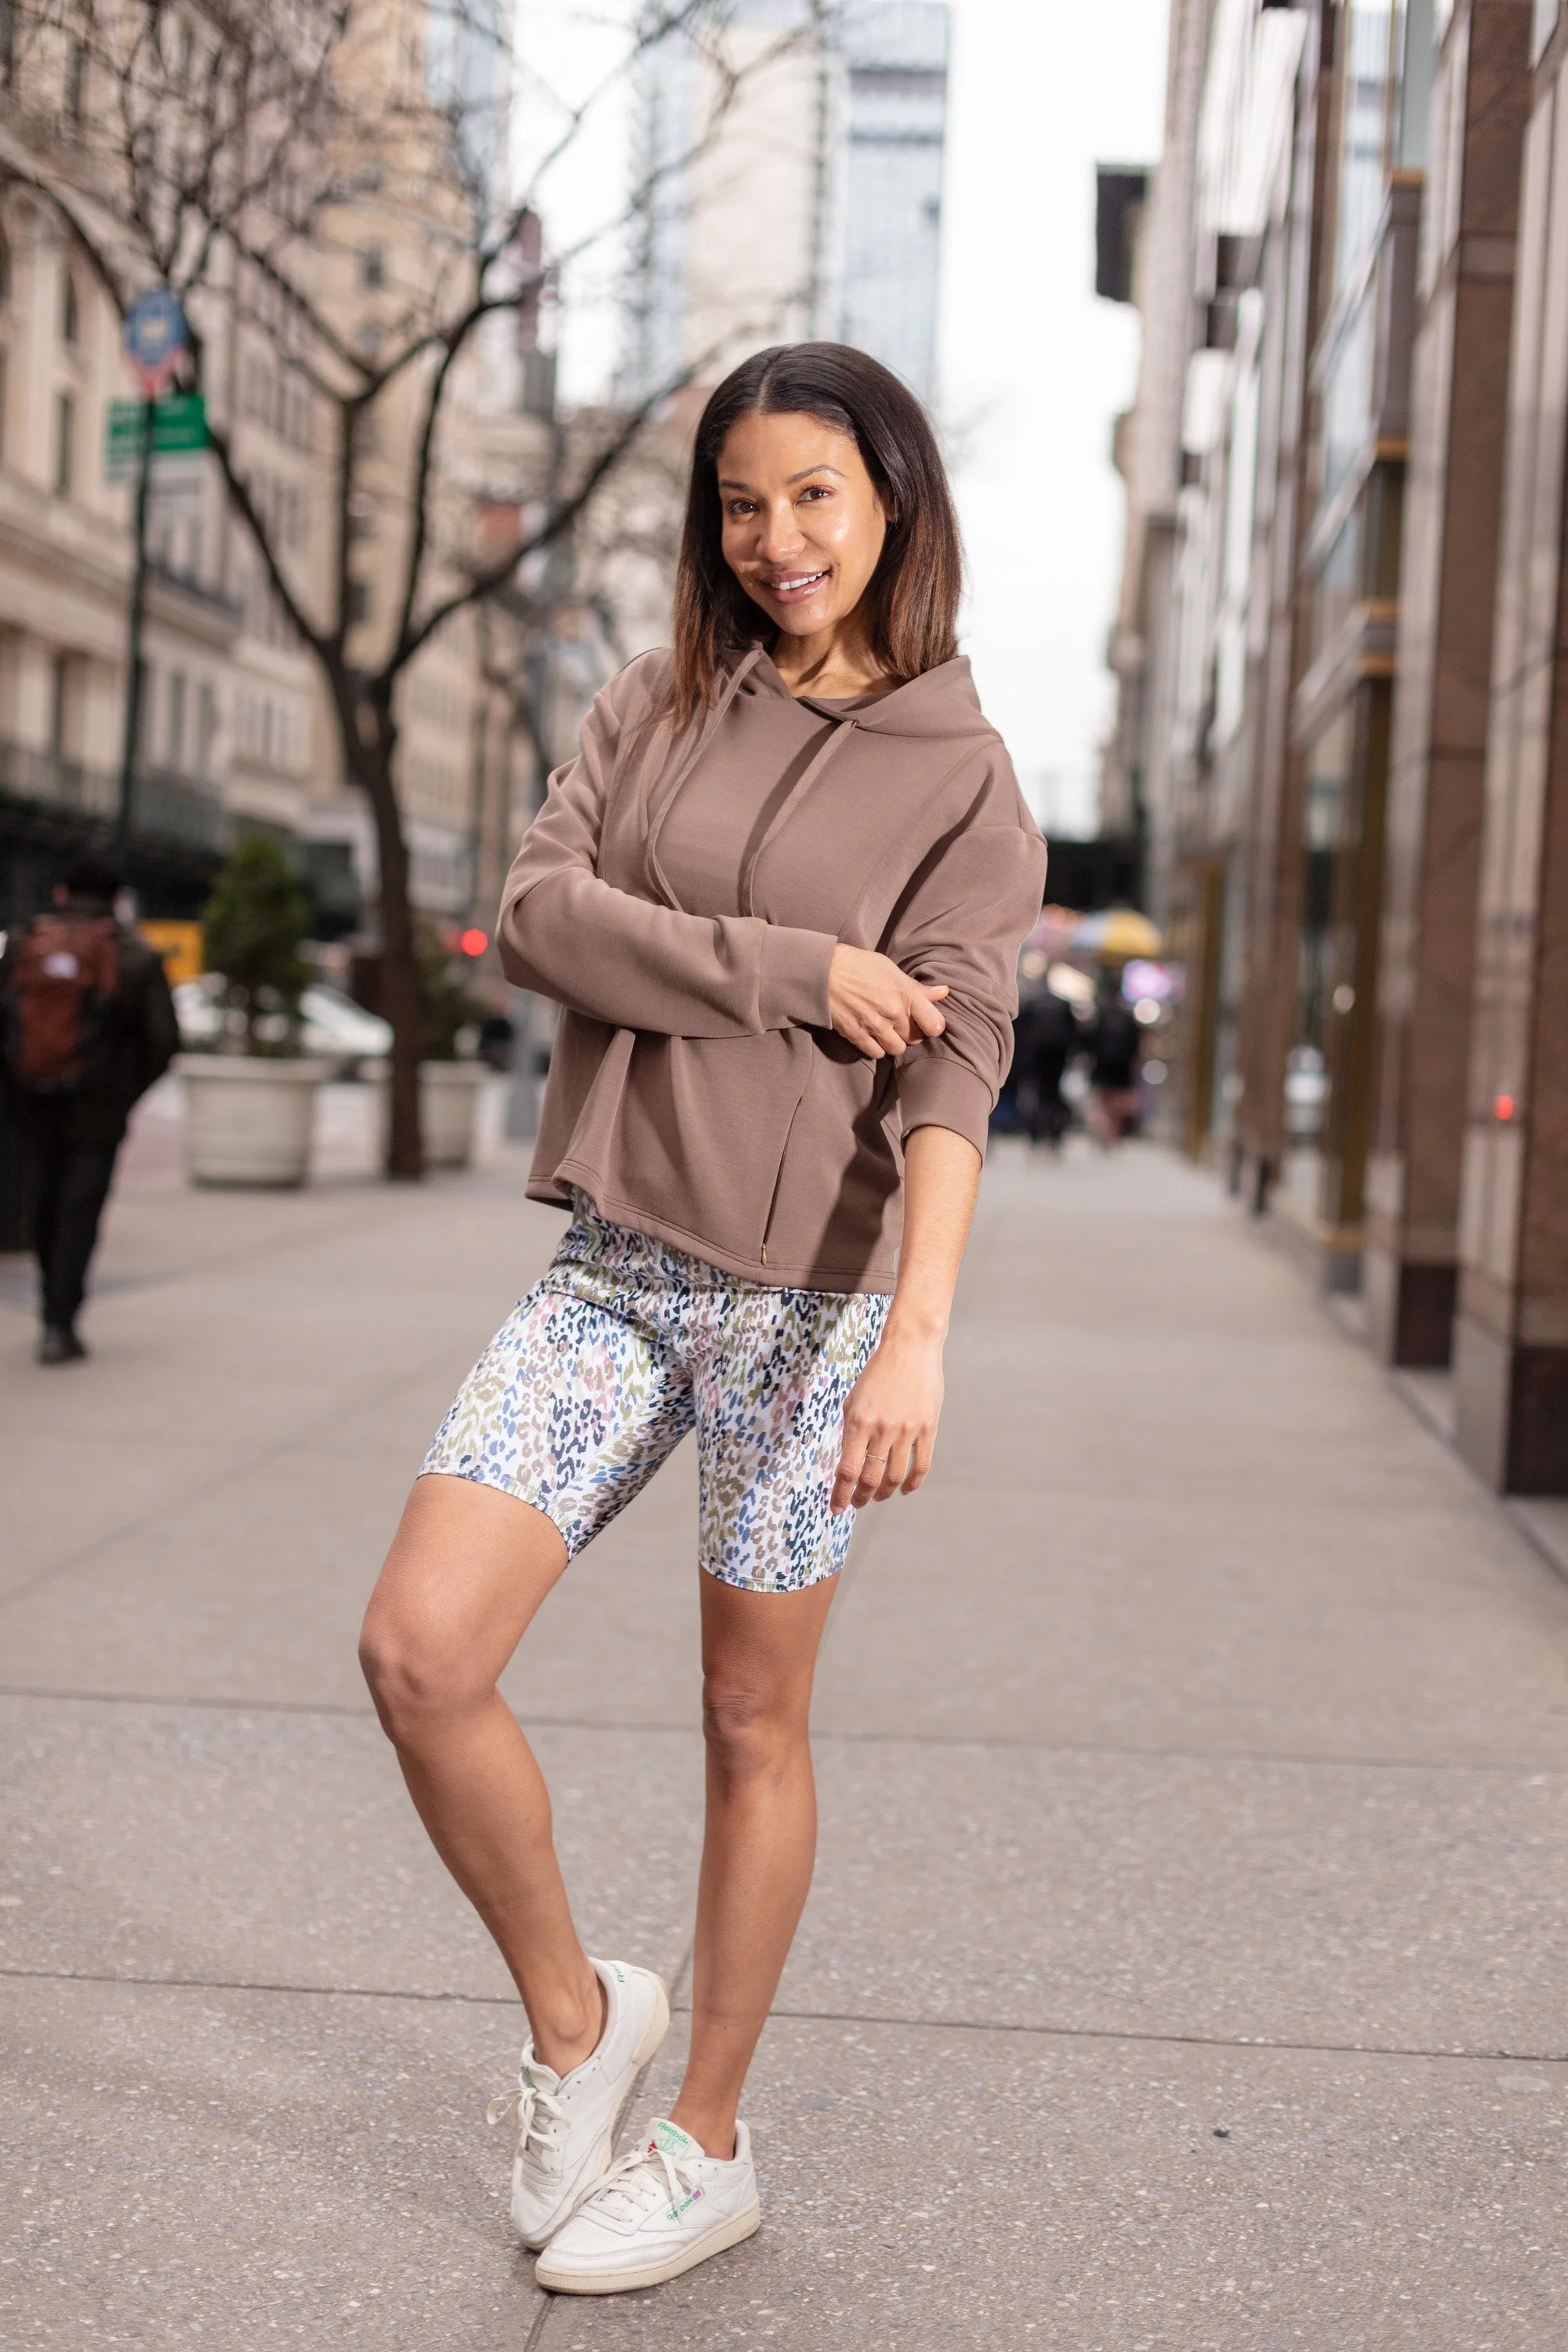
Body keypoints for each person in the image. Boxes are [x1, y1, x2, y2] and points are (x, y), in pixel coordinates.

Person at [358, 343, 1047, 2297]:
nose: (775, 538)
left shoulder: (965, 778)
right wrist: (789, 969)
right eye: (741, 502)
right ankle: (578, 2021)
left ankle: (707, 2143)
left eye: (813, 494)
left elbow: (954, 1071)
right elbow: (541, 916)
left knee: (753, 1720)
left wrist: (917, 1334)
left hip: (815, 1312)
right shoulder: (653, 698)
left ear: (892, 499)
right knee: (417, 1650)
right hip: (617, 1267)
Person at [0, 853, 177, 1363]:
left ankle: (49, 1306)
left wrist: (18, 1081)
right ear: (118, 901)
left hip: (33, 1100)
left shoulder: (22, 945)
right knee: (80, 1211)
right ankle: (60, 1323)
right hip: (98, 1111)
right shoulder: (135, 957)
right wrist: (124, 1091)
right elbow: (164, 1040)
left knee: (44, 1202)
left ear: (61, 893)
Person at [1014, 979, 1080, 1148]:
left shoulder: (1031, 1004)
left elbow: (1019, 1032)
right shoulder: (1063, 1005)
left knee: (1035, 1094)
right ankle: (1054, 1131)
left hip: (1035, 1057)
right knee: (1053, 1095)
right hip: (1058, 1057)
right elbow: (1073, 1033)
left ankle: (1036, 1132)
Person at [1085, 971, 1144, 1147]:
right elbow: (1136, 1044)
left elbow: (1091, 1039)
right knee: (1118, 1101)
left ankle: (1104, 1129)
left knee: (1103, 1098)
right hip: (1123, 1064)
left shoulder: (1101, 1015)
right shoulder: (1129, 1016)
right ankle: (1112, 1133)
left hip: (1102, 1062)